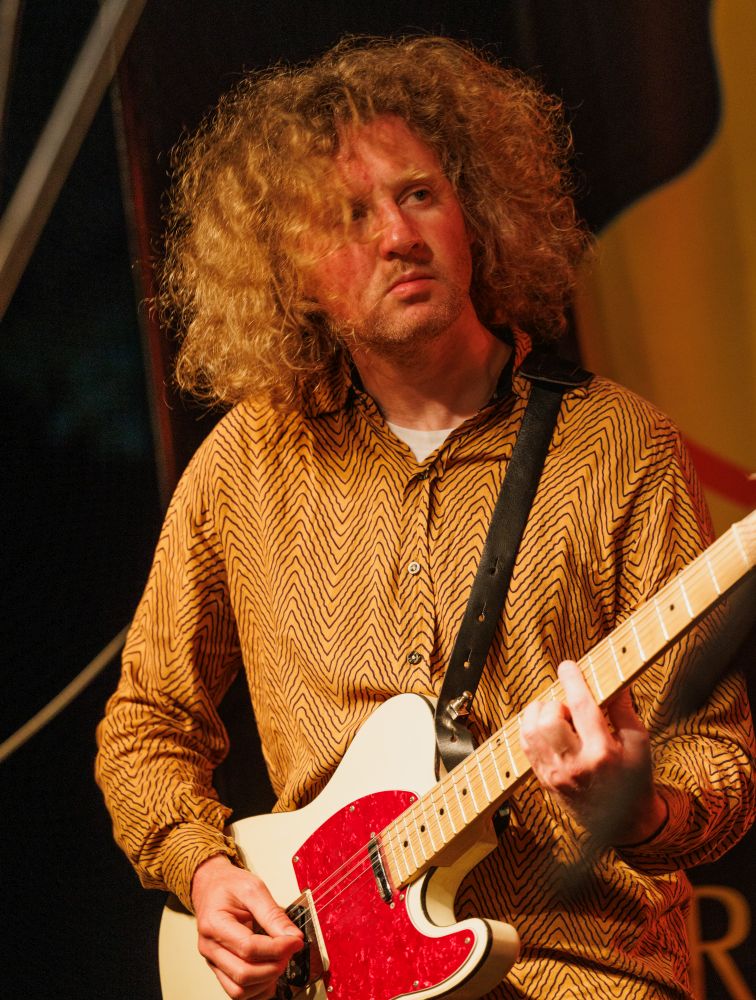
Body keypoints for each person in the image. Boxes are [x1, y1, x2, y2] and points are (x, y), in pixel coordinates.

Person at [96, 35, 755, 1000]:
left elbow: (719, 760)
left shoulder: (620, 443)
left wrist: (639, 805)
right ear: (291, 272)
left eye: (419, 195)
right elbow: (146, 722)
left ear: (472, 215)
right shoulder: (246, 462)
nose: (398, 236)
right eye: (350, 216)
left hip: (583, 969)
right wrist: (203, 870)